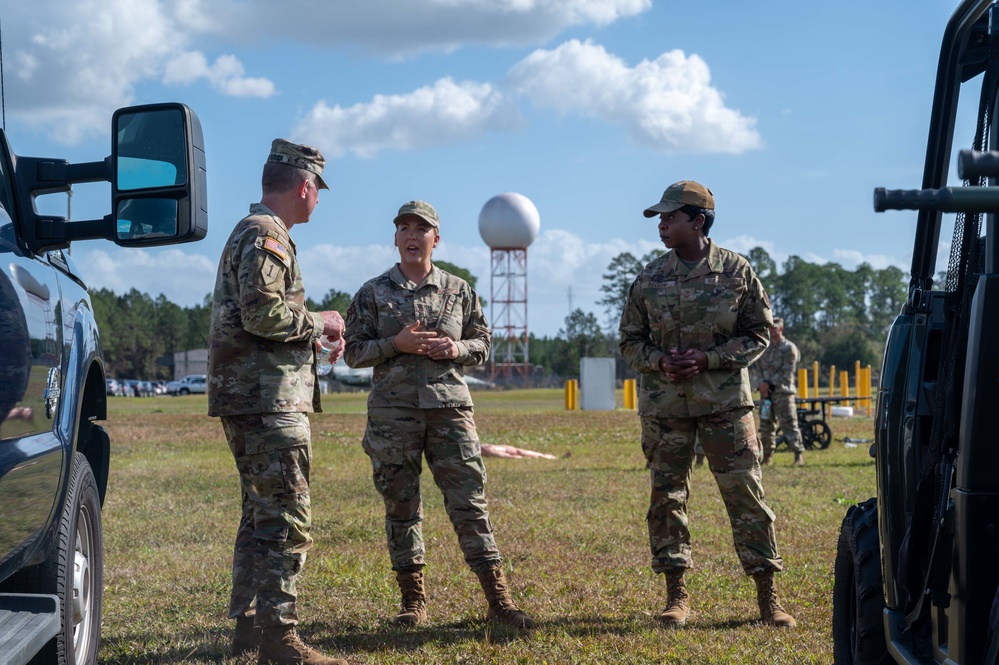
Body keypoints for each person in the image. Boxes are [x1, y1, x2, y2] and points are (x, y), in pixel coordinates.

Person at [343, 200, 535, 630]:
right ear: (395, 238)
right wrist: (397, 344)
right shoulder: (372, 293)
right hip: (394, 415)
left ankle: (499, 601)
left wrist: (457, 349)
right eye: (404, 229)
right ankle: (413, 602)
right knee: (401, 506)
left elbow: (483, 343)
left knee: (470, 504)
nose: (413, 236)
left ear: (436, 238)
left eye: (421, 229)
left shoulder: (459, 289)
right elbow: (353, 352)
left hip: (450, 410)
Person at [618, 180, 796, 629]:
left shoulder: (737, 272)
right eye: (660, 217)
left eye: (670, 216)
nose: (662, 224)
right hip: (665, 409)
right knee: (667, 500)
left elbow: (758, 333)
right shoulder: (650, 278)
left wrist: (709, 359)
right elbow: (629, 341)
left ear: (697, 221)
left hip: (724, 407)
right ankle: (676, 596)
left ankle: (767, 598)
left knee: (746, 497)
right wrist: (659, 360)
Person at [208, 139, 350, 665]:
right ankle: (279, 638)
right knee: (287, 516)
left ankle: (249, 627)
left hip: (253, 395)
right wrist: (322, 321)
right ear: (305, 186)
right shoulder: (267, 236)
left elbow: (260, 319)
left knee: (260, 513)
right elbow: (262, 315)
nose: (318, 201)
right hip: (267, 401)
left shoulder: (258, 233)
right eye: (318, 191)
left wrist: (309, 340)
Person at [751, 318, 805, 466]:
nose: (771, 330)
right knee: (766, 425)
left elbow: (787, 372)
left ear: (781, 329)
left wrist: (768, 383)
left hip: (783, 393)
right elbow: (758, 368)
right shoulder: (764, 348)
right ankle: (767, 456)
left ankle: (798, 454)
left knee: (789, 424)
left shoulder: (789, 348)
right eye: (769, 328)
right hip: (766, 395)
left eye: (774, 328)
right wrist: (761, 384)